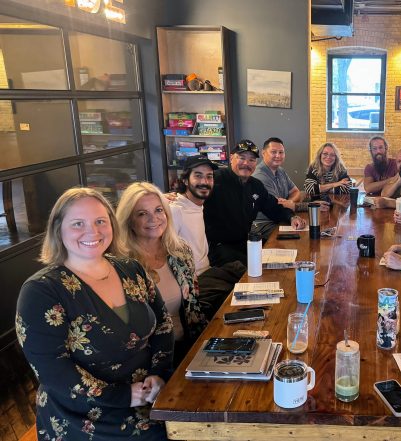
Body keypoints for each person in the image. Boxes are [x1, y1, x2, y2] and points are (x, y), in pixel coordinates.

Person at [16, 187, 173, 440]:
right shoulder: (41, 291)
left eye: (100, 221)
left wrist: (160, 374)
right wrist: (121, 396)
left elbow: (163, 325)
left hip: (148, 397)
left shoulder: (131, 268)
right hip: (83, 415)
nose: (93, 231)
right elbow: (51, 368)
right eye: (78, 223)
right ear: (58, 229)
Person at [116, 182, 208, 363]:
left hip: (187, 349)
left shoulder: (180, 250)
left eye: (158, 210)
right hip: (147, 361)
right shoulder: (121, 265)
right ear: (129, 221)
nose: (154, 219)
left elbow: (193, 308)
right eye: (142, 213)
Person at [205, 139, 307, 266]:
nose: (246, 163)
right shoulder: (215, 180)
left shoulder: (255, 185)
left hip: (245, 241)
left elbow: (273, 207)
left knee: (285, 255)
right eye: (242, 158)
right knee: (258, 267)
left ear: (256, 163)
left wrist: (292, 217)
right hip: (219, 248)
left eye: (251, 160)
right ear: (231, 158)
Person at [168, 155, 247, 319]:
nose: (204, 182)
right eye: (198, 176)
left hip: (209, 272)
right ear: (185, 180)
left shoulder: (198, 205)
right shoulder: (176, 209)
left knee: (243, 269)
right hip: (195, 281)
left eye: (209, 177)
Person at [252, 137, 328, 238]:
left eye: (281, 152)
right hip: (263, 224)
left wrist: (289, 203)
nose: (278, 155)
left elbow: (296, 192)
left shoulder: (280, 171)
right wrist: (309, 206)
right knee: (302, 237)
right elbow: (275, 206)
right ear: (263, 153)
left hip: (282, 217)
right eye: (273, 152)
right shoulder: (260, 176)